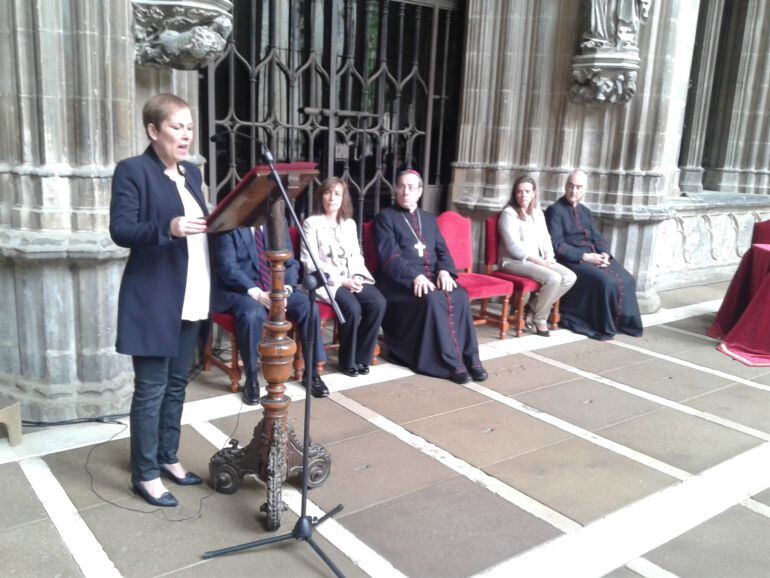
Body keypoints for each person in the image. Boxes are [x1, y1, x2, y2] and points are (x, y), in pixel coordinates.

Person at [110, 94, 207, 508]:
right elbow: (121, 230)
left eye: (189, 127)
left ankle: (167, 456)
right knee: (150, 389)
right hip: (154, 299)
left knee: (177, 384)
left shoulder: (193, 174)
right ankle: (145, 473)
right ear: (153, 131)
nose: (185, 134)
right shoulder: (133, 171)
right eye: (176, 127)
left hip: (193, 294)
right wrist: (166, 227)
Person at [374, 170, 487, 384]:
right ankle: (449, 363)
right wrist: (414, 277)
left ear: (420, 192)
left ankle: (471, 358)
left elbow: (442, 251)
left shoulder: (428, 219)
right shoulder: (385, 218)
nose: (406, 191)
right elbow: (390, 258)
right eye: (401, 186)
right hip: (399, 285)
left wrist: (444, 270)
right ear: (395, 189)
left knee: (460, 295)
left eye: (411, 187)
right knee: (433, 300)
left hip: (433, 277)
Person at [210, 220, 329, 403]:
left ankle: (312, 373)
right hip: (243, 291)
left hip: (277, 288)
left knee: (309, 307)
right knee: (252, 314)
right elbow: (228, 268)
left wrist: (286, 289)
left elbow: (290, 263)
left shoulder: (276, 221)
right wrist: (258, 294)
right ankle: (251, 379)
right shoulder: (228, 224)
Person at [301, 178, 386, 376]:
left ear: (343, 198)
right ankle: (347, 360)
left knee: (378, 302)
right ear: (321, 196)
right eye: (327, 192)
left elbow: (356, 255)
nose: (332, 198)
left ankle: (361, 357)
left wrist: (356, 277)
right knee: (352, 308)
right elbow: (311, 262)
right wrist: (341, 280)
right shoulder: (311, 223)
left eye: (337, 194)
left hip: (351, 277)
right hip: (327, 282)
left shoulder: (348, 224)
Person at [544, 169, 643, 340]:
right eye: (571, 186)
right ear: (565, 186)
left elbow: (597, 237)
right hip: (571, 260)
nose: (574, 191)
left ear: (584, 189)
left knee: (628, 279)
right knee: (605, 281)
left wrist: (604, 254)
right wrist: (586, 257)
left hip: (594, 256)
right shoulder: (555, 210)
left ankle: (623, 324)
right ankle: (603, 326)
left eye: (578, 187)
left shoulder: (585, 211)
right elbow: (557, 245)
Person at [498, 175, 576, 336]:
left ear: (534, 193)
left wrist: (549, 257)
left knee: (569, 276)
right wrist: (540, 262)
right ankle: (540, 319)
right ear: (514, 194)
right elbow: (513, 247)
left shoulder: (537, 213)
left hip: (537, 261)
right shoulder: (509, 213)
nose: (523, 195)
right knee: (553, 278)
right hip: (513, 262)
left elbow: (546, 238)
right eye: (519, 192)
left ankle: (532, 307)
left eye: (527, 191)